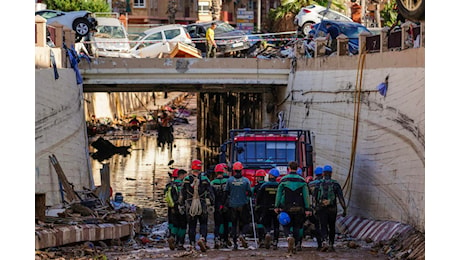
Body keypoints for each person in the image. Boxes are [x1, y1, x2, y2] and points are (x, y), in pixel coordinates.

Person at [275, 161, 312, 254]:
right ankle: (296, 244)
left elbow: (279, 194)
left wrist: (277, 206)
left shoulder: (283, 180)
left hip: (287, 207)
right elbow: (306, 196)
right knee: (297, 226)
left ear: (289, 168)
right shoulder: (302, 181)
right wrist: (307, 208)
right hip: (299, 207)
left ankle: (288, 236)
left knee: (285, 224)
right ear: (297, 168)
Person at [178, 159, 214, 252]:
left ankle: (192, 244)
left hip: (190, 206)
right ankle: (203, 239)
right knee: (203, 223)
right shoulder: (205, 179)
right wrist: (212, 204)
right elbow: (210, 193)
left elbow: (182, 194)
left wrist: (181, 205)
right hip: (202, 204)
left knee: (192, 225)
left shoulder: (186, 179)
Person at [313, 165, 347, 252]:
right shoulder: (335, 184)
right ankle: (331, 244)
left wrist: (315, 208)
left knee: (323, 225)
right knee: (332, 226)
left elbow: (314, 198)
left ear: (323, 173)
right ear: (331, 173)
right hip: (332, 209)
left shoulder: (318, 183)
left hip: (321, 208)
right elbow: (341, 198)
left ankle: (324, 241)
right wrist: (344, 209)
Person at [225, 161, 252, 250]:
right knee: (245, 222)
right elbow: (250, 192)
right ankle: (242, 235)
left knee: (233, 224)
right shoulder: (245, 181)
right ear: (241, 170)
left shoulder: (229, 180)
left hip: (232, 205)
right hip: (243, 204)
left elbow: (226, 192)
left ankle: (235, 244)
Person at [256, 168, 280, 249]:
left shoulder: (264, 186)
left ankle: (268, 233)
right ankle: (275, 241)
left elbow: (258, 198)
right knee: (276, 225)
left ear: (270, 175)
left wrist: (258, 206)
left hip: (266, 207)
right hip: (276, 208)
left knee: (267, 224)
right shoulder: (279, 185)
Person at [164, 169, 187, 250]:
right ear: (181, 175)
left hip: (172, 207)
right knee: (183, 225)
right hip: (182, 207)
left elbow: (165, 195)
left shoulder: (169, 185)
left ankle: (172, 236)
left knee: (174, 224)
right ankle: (180, 243)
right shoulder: (184, 184)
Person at [210, 164, 231, 249]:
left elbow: (210, 195)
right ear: (223, 172)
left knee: (217, 224)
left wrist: (212, 205)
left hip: (217, 205)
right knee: (225, 223)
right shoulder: (228, 181)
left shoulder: (212, 183)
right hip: (226, 205)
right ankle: (224, 241)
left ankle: (216, 238)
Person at [306, 166, 324, 251]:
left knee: (316, 225)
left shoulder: (311, 184)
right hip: (326, 207)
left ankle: (320, 244)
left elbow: (308, 196)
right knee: (325, 225)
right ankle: (327, 242)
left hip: (315, 208)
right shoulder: (326, 182)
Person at [252, 169, 267, 247]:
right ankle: (267, 235)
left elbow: (250, 193)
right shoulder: (267, 185)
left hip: (258, 207)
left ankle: (260, 239)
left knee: (259, 222)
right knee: (267, 223)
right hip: (267, 207)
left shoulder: (256, 187)